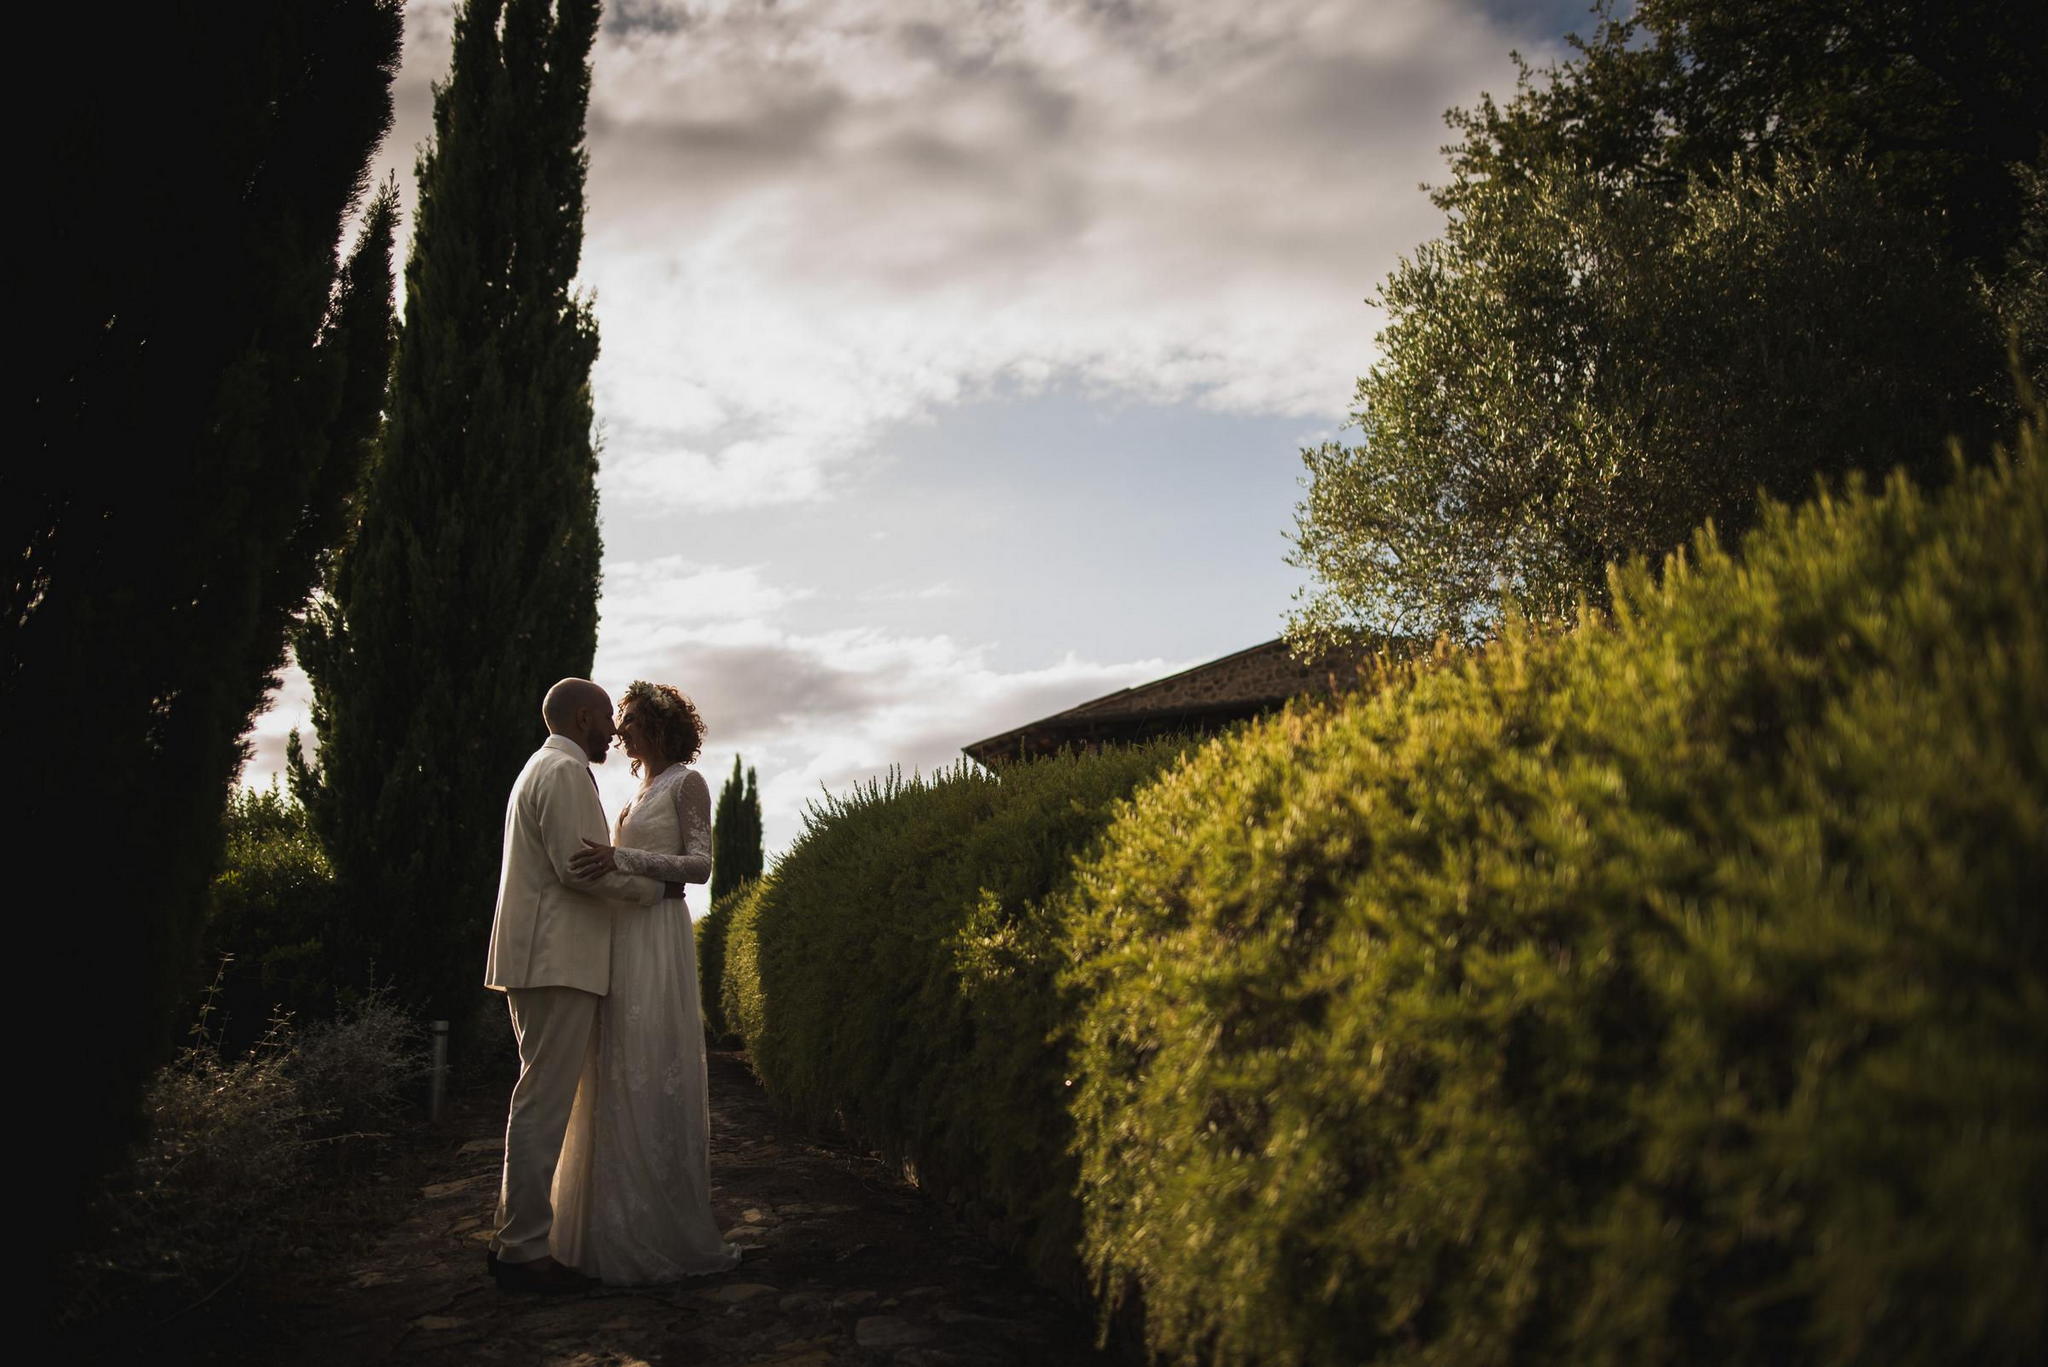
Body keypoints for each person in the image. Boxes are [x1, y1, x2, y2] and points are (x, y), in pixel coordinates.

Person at [483, 677, 675, 1295]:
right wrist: (652, 890)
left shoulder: (539, 768)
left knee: (538, 1098)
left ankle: (513, 1239)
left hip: (544, 957)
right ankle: (522, 1251)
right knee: (543, 1103)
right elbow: (579, 868)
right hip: (556, 958)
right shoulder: (564, 772)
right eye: (607, 719)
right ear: (585, 717)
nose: (614, 732)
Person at [553, 679, 740, 1285]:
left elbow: (700, 866)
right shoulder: (636, 791)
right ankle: (605, 1222)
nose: (620, 729)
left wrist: (622, 857)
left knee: (651, 1058)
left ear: (660, 724)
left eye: (630, 719)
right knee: (613, 1063)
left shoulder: (687, 782)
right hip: (620, 935)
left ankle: (658, 1225)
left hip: (658, 934)